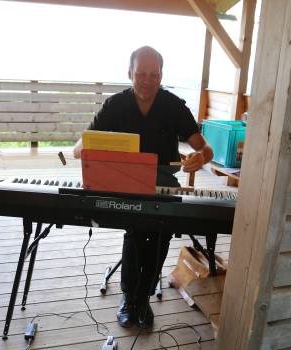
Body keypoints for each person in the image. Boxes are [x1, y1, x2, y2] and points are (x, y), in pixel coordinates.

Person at [73, 46, 213, 329]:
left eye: (154, 74)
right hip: (125, 183)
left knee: (159, 232)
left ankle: (143, 298)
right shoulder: (115, 105)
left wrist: (200, 159)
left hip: (163, 184)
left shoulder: (173, 106)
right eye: (141, 74)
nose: (147, 80)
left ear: (161, 75)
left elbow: (205, 148)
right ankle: (130, 297)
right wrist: (90, 147)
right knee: (136, 229)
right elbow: (79, 148)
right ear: (130, 73)